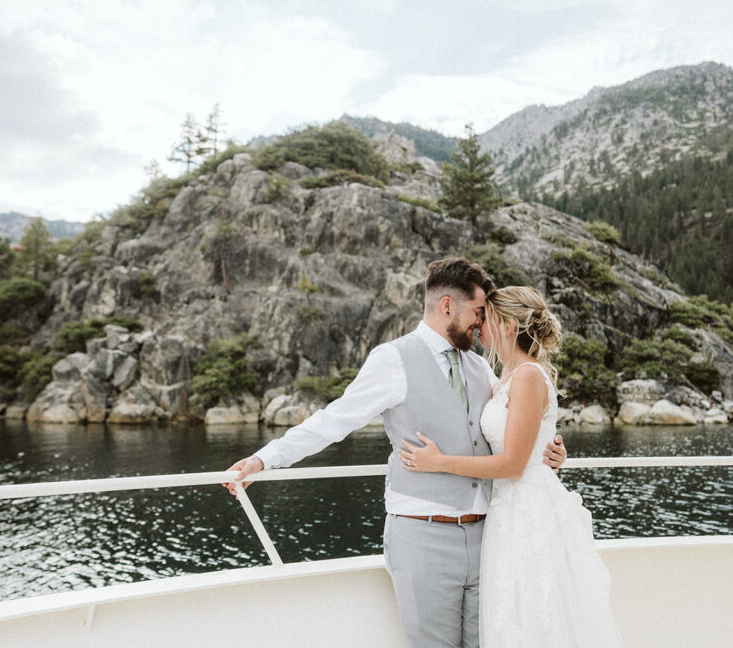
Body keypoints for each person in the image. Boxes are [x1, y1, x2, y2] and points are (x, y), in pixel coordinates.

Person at [223, 258, 568, 647]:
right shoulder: (392, 359)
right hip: (423, 536)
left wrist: (550, 450)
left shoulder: (480, 367)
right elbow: (334, 419)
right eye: (476, 312)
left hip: (490, 535)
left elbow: (511, 428)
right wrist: (265, 458)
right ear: (447, 307)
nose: (480, 323)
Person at [399, 286, 622, 647]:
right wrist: (549, 453)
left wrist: (439, 462)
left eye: (485, 317)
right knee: (511, 614)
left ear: (505, 325)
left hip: (528, 511)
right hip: (506, 510)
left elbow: (514, 464)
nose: (478, 325)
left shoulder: (528, 376)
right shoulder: (505, 376)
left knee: (534, 612)